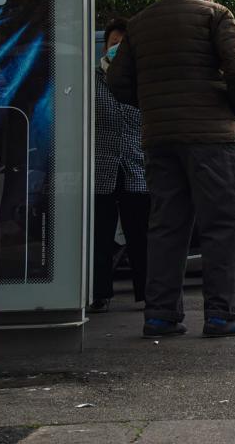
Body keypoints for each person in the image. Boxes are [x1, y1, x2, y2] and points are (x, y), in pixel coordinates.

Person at [108, 0, 235, 339]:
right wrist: (234, 107)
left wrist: (155, 105)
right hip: (210, 138)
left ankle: (160, 315)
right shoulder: (215, 15)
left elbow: (117, 81)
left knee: (165, 226)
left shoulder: (140, 23)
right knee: (221, 224)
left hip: (160, 138)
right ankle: (222, 316)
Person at [90, 18, 150, 314]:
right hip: (100, 169)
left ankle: (148, 293)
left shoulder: (145, 82)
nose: (118, 49)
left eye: (124, 45)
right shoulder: (92, 81)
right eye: (114, 43)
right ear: (105, 47)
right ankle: (98, 292)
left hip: (137, 170)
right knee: (98, 235)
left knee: (141, 235)